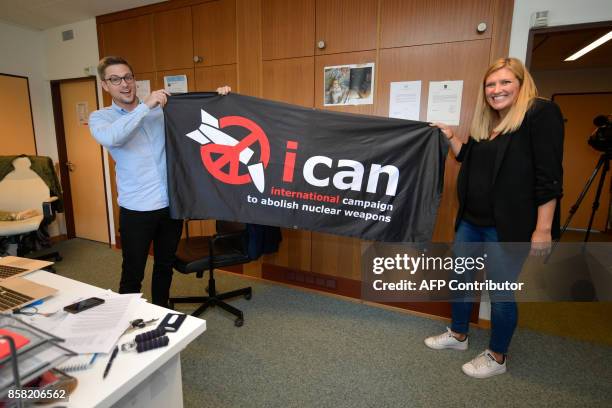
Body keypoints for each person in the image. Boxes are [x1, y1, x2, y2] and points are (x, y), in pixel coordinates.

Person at [425, 57, 564, 378]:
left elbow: (550, 176)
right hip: (471, 222)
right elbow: (469, 157)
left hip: (507, 226)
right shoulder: (489, 122)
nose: (496, 89)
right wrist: (449, 136)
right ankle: (458, 334)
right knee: (460, 279)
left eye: (505, 82)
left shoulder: (540, 114)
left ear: (521, 83)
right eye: (491, 84)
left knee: (500, 292)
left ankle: (497, 357)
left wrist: (543, 229)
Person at [89, 56, 231, 307]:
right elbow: (114, 138)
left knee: (164, 267)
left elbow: (200, 119)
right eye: (115, 79)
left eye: (128, 77)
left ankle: (161, 314)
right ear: (105, 85)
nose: (124, 84)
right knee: (133, 274)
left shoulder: (162, 110)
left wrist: (219, 99)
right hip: (136, 210)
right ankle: (127, 324)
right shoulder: (102, 118)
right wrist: (146, 107)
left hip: (170, 205)